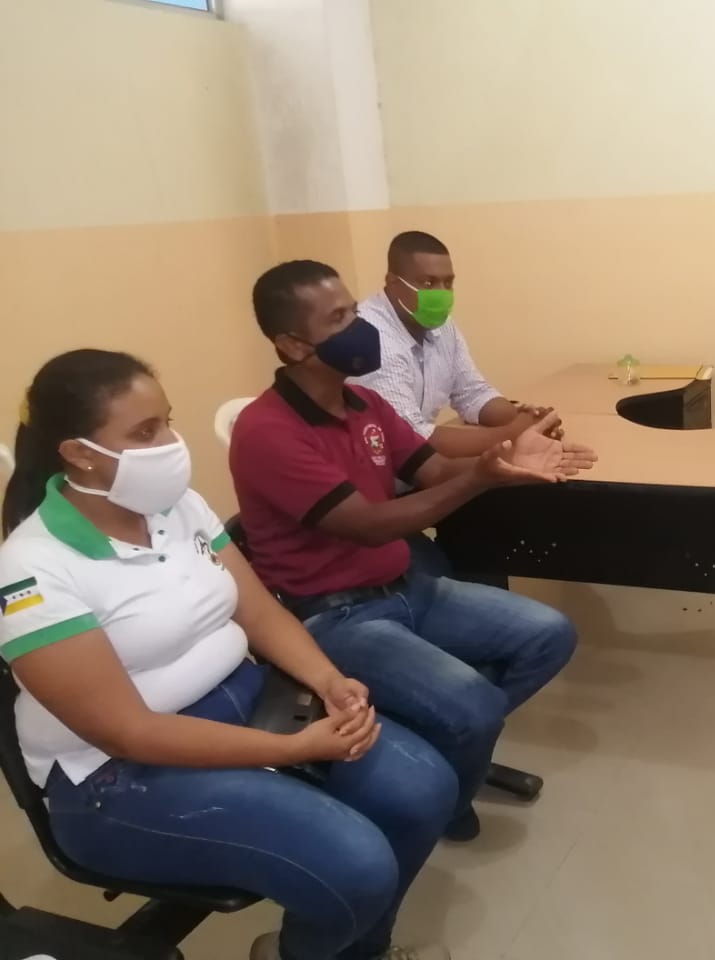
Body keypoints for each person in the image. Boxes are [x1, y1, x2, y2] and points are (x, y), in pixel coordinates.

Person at [0, 349, 456, 960]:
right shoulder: (31, 569)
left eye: (166, 421)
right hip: (115, 777)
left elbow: (259, 610)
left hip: (241, 699)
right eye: (144, 432)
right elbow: (128, 732)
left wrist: (328, 679)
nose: (170, 443)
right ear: (79, 454)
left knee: (424, 789)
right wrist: (293, 749)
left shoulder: (177, 506)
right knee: (358, 864)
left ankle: (353, 950)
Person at [230, 260, 595, 841]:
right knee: (474, 706)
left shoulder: (364, 405)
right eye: (339, 318)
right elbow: (370, 525)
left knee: (549, 635)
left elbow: (434, 470)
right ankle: (450, 784)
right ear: (293, 345)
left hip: (408, 588)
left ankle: (449, 747)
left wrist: (503, 460)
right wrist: (479, 480)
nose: (361, 327)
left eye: (354, 310)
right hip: (334, 616)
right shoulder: (266, 431)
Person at [352, 231, 558, 458]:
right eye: (428, 283)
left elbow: (472, 392)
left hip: (422, 466)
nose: (441, 293)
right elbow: (412, 439)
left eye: (448, 283)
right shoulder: (372, 338)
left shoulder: (441, 326)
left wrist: (527, 418)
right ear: (392, 282)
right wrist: (514, 433)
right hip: (379, 471)